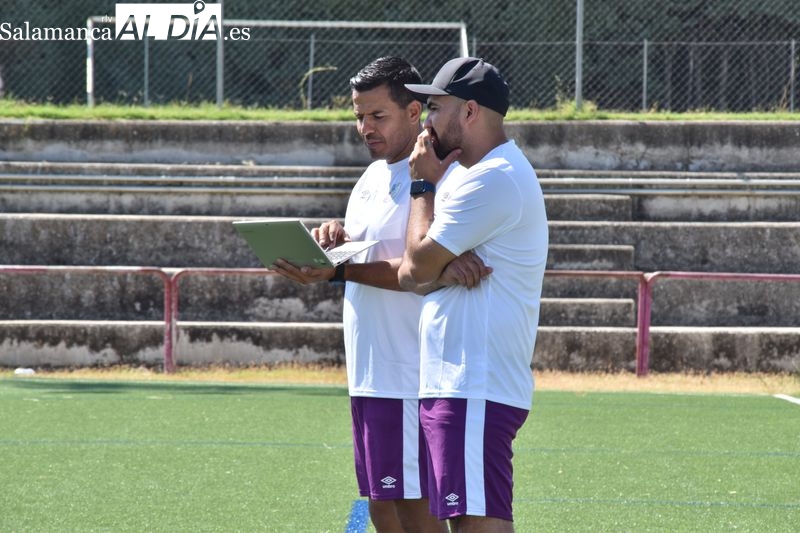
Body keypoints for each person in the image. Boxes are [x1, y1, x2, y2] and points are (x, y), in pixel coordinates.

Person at [271, 56, 489, 533]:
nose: (364, 127)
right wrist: (333, 239)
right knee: (381, 508)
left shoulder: (441, 180)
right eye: (357, 115)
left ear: (415, 112)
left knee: (414, 511)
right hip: (370, 372)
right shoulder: (370, 177)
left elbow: (419, 270)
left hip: (412, 374)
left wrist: (336, 274)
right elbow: (372, 252)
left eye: (377, 115)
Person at [397, 57, 549, 532]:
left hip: (473, 385)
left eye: (435, 107)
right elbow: (414, 275)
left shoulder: (492, 177)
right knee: (465, 520)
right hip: (457, 384)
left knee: (477, 524)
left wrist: (421, 185)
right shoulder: (468, 172)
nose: (425, 120)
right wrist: (434, 267)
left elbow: (414, 265)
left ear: (469, 112)